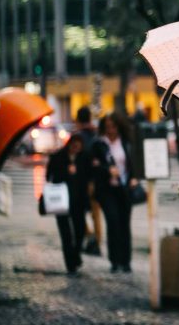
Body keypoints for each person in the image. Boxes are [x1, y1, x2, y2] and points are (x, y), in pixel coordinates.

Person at [91, 112, 138, 273]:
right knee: (113, 221)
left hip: (124, 188)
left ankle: (126, 261)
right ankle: (114, 260)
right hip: (106, 190)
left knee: (124, 223)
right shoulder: (99, 144)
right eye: (108, 127)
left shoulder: (125, 142)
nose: (111, 130)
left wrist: (134, 178)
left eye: (113, 126)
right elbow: (94, 167)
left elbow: (132, 163)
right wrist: (107, 170)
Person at [45, 134, 91, 274]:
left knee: (80, 230)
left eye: (79, 145)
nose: (76, 148)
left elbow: (89, 175)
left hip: (79, 200)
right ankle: (70, 263)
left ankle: (75, 254)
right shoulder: (58, 156)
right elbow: (49, 176)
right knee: (66, 234)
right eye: (74, 145)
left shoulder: (84, 157)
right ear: (70, 144)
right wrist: (66, 172)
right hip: (61, 200)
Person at [75, 105, 102, 256]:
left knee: (78, 211)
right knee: (96, 213)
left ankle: (90, 236)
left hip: (83, 180)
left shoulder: (78, 137)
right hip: (96, 179)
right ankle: (97, 243)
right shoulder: (96, 134)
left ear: (78, 119)